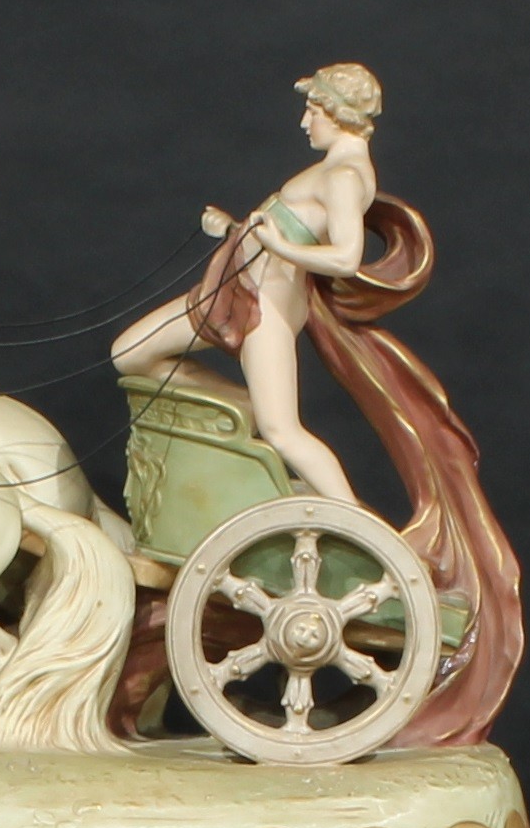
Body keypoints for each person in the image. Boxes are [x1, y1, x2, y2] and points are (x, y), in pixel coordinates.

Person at [111, 63, 384, 503]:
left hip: (267, 308)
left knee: (283, 431)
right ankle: (245, 405)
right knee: (130, 352)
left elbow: (346, 258)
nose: (304, 122)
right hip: (230, 291)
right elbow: (288, 231)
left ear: (338, 112)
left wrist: (278, 246)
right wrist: (233, 229)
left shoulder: (344, 177)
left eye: (313, 110)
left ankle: (359, 524)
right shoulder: (332, 169)